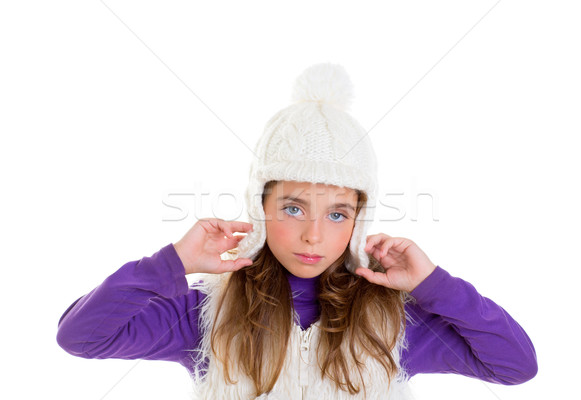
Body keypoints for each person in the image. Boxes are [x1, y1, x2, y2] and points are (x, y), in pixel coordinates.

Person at [56, 63, 538, 399]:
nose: (313, 236)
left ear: (359, 220)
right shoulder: (207, 313)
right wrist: (171, 265)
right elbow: (82, 337)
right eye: (292, 207)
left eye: (336, 214)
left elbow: (515, 366)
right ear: (259, 206)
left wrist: (435, 286)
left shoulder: (390, 323)